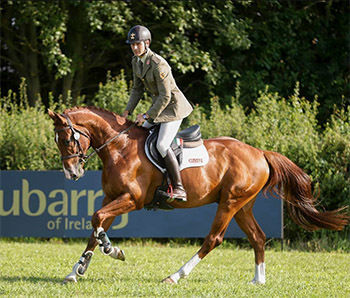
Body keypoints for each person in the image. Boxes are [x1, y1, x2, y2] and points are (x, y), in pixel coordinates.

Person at [122, 25, 193, 201]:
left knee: (161, 144)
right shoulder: (136, 61)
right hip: (160, 108)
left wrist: (146, 115)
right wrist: (127, 111)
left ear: (147, 43)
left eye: (137, 44)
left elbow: (165, 96)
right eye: (132, 45)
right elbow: (137, 90)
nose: (134, 47)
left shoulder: (158, 64)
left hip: (173, 109)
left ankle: (178, 188)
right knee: (141, 134)